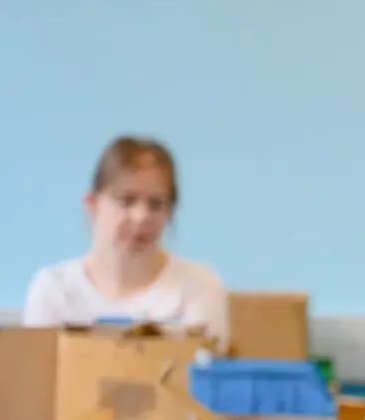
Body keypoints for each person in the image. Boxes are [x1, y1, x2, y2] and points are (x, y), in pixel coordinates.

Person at [23, 136, 228, 346]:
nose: (141, 217)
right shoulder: (54, 289)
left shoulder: (198, 285)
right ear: (93, 204)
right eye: (127, 201)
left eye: (156, 204)